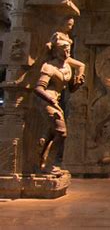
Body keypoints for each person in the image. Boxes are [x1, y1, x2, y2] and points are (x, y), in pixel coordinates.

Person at [35, 32, 85, 175]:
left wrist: (78, 82)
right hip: (46, 100)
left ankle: (43, 162)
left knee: (50, 134)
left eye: (69, 48)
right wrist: (51, 100)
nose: (67, 51)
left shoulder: (67, 66)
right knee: (61, 132)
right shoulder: (49, 67)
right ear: (56, 50)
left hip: (56, 100)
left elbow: (71, 88)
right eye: (64, 49)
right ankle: (49, 164)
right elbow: (38, 88)